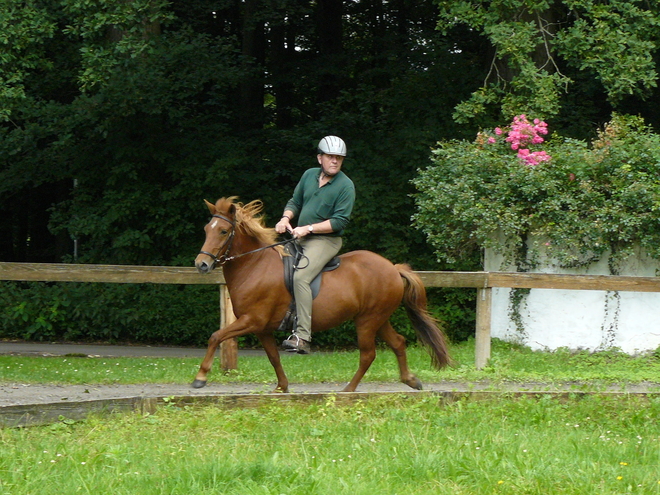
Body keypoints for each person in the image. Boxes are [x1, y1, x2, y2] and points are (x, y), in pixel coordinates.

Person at [275, 136, 356, 354]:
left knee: (301, 277)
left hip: (325, 240)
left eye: (339, 158)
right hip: (300, 235)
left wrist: (308, 228)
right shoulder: (309, 175)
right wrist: (285, 218)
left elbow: (340, 221)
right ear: (320, 157)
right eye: (331, 157)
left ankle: (302, 336)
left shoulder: (346, 186)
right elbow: (295, 201)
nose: (335, 161)